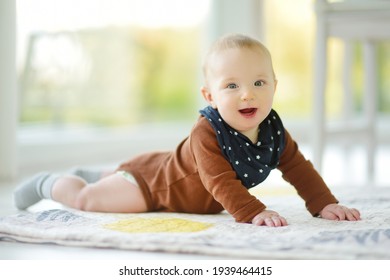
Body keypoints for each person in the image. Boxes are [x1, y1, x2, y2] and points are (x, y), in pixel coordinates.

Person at [14, 34, 361, 227]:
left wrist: (324, 204)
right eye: (231, 86)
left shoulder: (273, 131)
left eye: (258, 82)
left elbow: (299, 167)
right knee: (89, 200)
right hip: (153, 188)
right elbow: (219, 182)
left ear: (274, 85)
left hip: (169, 169)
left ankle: (98, 173)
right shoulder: (206, 132)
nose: (247, 94)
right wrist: (254, 210)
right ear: (210, 96)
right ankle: (51, 182)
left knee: (128, 173)